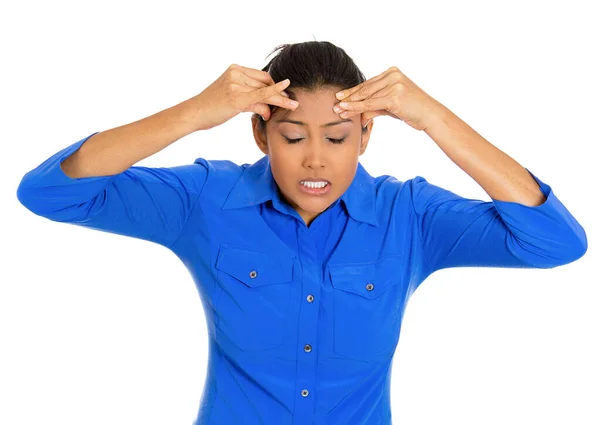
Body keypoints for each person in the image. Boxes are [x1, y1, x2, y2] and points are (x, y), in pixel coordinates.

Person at [16, 41, 587, 425]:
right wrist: (196, 110)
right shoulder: (205, 201)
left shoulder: (408, 215)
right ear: (261, 136)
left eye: (336, 138)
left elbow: (555, 242)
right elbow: (50, 192)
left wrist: (434, 117)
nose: (316, 160)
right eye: (293, 138)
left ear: (366, 134)